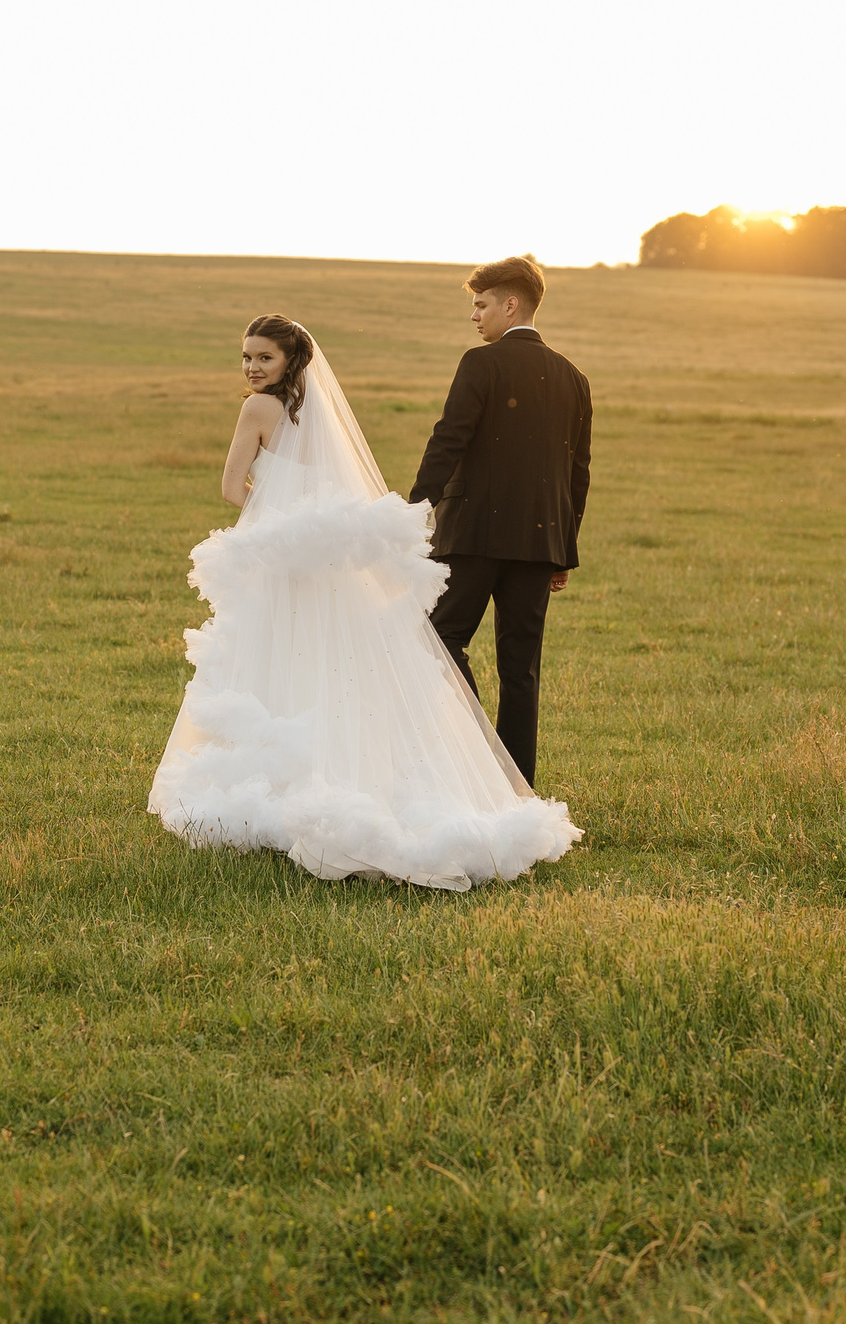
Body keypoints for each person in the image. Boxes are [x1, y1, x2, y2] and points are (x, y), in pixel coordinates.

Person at [147, 314, 581, 889]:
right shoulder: (320, 414)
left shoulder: (257, 410)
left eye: (264, 358)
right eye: (246, 357)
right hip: (330, 564)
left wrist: (274, 515)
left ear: (289, 361)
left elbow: (231, 489)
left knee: (276, 661)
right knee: (338, 666)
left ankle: (275, 788)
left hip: (281, 562)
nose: (252, 368)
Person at [408, 257, 591, 785]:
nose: (474, 316)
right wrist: (563, 550)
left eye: (481, 304)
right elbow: (577, 472)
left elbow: (448, 440)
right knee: (520, 670)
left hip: (473, 535)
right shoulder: (574, 378)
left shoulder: (480, 363)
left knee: (438, 638)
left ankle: (481, 756)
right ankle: (517, 789)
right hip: (539, 544)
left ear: (511, 305)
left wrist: (413, 512)